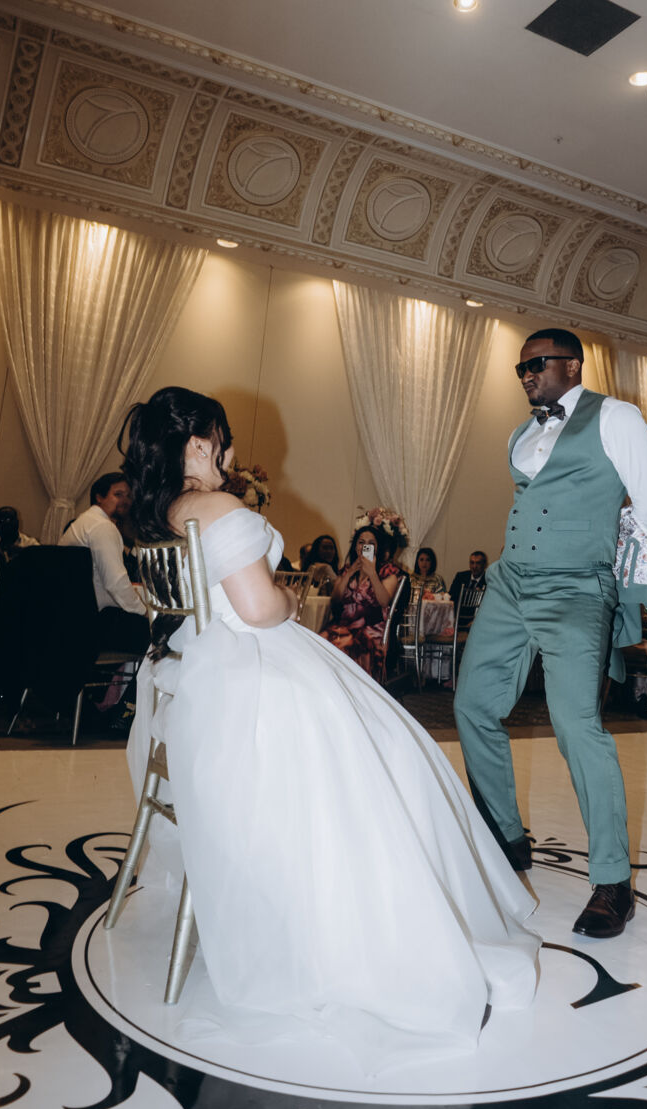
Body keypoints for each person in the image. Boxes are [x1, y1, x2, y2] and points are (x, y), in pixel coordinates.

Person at [119, 386, 538, 1056]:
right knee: (383, 749)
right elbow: (257, 609)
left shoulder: (164, 513)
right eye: (221, 438)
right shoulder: (217, 507)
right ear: (196, 442)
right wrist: (290, 598)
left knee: (378, 741)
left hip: (191, 681)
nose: (229, 450)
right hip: (247, 672)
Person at [454, 328, 647, 941]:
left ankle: (613, 884)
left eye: (537, 364)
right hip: (510, 584)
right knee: (472, 706)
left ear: (572, 365)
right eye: (520, 368)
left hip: (577, 587)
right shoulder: (519, 434)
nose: (526, 375)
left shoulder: (617, 417)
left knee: (577, 726)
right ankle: (506, 837)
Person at [59, 472, 149, 656]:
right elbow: (115, 583)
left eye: (128, 496)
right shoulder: (102, 526)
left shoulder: (85, 522)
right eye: (118, 494)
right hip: (95, 622)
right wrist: (144, 612)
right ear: (99, 497)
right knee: (164, 634)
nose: (125, 501)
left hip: (72, 617)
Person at [324, 522, 403, 677]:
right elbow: (336, 598)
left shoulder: (387, 571)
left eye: (371, 543)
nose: (365, 546)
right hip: (344, 627)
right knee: (320, 642)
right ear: (355, 547)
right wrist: (350, 572)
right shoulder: (347, 570)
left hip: (371, 631)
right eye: (361, 542)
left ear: (377, 548)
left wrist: (372, 573)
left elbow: (384, 601)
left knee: (342, 645)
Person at [449, 551, 490, 615]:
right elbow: (451, 596)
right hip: (456, 614)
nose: (474, 566)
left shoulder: (488, 581)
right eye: (472, 563)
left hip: (477, 616)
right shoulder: (460, 577)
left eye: (478, 563)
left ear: (485, 565)